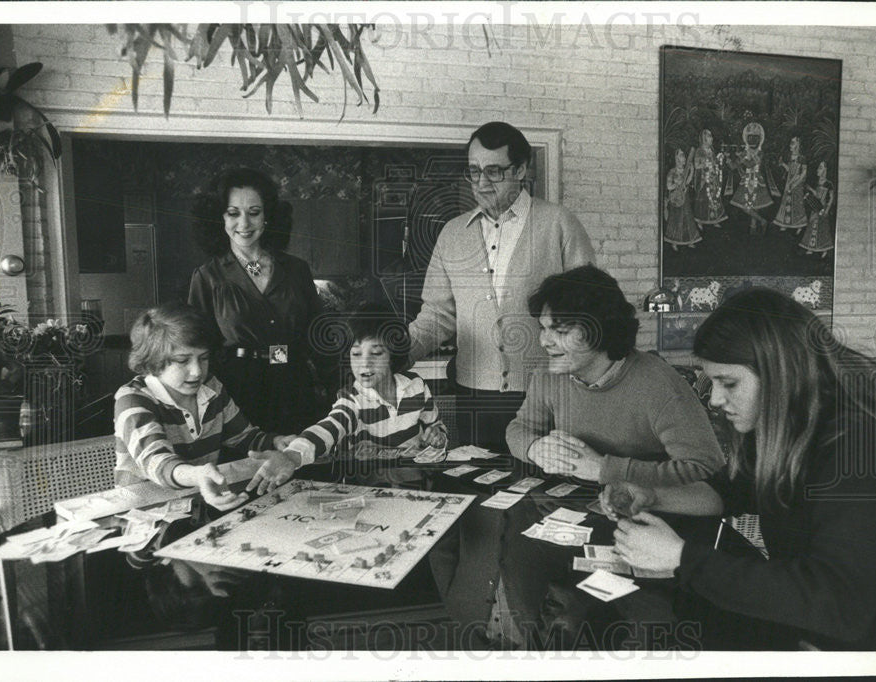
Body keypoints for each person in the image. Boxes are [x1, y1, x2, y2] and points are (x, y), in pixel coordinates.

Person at [608, 288, 876, 650]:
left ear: (781, 373)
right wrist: (652, 495)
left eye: (728, 383)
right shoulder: (784, 426)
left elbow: (839, 603)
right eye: (712, 382)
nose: (715, 400)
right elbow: (730, 491)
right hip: (812, 628)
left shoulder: (863, 451)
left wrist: (681, 558)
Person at [408, 121, 595, 451]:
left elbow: (590, 312)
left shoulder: (559, 224)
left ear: (521, 169)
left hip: (550, 394)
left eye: (493, 171)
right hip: (473, 396)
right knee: (480, 490)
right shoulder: (452, 234)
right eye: (473, 171)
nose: (480, 183)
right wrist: (395, 353)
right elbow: (436, 316)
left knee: (547, 490)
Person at [506, 265, 724, 487]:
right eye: (543, 328)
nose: (544, 341)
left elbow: (705, 468)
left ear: (600, 329)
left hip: (646, 509)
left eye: (560, 331)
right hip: (571, 504)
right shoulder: (548, 373)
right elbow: (519, 428)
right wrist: (534, 448)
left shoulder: (660, 384)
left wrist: (604, 469)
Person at [114, 302, 301, 511]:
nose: (196, 372)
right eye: (183, 361)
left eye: (203, 358)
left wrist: (275, 442)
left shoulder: (211, 387)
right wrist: (197, 475)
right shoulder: (132, 399)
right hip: (144, 516)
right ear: (153, 360)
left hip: (198, 504)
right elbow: (157, 462)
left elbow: (244, 437)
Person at [188, 167, 332, 436]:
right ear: (219, 218)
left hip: (296, 389)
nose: (244, 224)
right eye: (233, 213)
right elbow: (198, 347)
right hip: (238, 396)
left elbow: (319, 338)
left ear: (268, 216)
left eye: (254, 212)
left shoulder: (296, 270)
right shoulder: (207, 277)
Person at [283, 303, 447, 466]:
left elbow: (436, 426)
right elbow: (329, 428)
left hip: (418, 483)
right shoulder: (351, 399)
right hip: (370, 487)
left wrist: (437, 436)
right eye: (356, 354)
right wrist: (292, 457)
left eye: (376, 353)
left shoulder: (416, 386)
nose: (365, 363)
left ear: (393, 355)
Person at [663, 148, 701, 251]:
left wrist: (692, 171)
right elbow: (668, 186)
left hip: (685, 197)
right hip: (676, 199)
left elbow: (687, 182)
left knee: (687, 218)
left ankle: (689, 240)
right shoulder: (672, 171)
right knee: (676, 220)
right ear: (676, 158)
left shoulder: (684, 171)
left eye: (684, 155)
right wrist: (676, 184)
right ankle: (674, 242)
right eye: (681, 155)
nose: (683, 157)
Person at [690, 128, 727, 229]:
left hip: (712, 179)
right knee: (703, 200)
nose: (712, 138)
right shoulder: (699, 151)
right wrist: (706, 162)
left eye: (711, 136)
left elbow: (714, 163)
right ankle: (700, 220)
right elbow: (697, 165)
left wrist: (719, 159)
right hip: (703, 180)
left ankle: (714, 219)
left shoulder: (711, 150)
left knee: (714, 198)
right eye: (709, 136)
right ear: (704, 138)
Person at [799, 159, 835, 257]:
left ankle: (824, 249)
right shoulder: (817, 181)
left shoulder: (828, 183)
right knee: (812, 225)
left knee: (822, 229)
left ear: (825, 170)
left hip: (822, 208)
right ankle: (811, 247)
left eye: (820, 168)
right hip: (815, 207)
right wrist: (810, 191)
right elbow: (816, 195)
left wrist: (827, 210)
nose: (818, 170)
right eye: (818, 168)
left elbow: (831, 198)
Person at [772, 135, 808, 232]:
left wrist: (794, 183)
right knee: (787, 202)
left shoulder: (802, 158)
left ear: (798, 144)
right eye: (791, 142)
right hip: (789, 182)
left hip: (797, 183)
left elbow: (803, 173)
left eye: (793, 143)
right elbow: (789, 170)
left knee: (797, 205)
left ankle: (800, 224)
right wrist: (782, 164)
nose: (790, 145)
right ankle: (785, 223)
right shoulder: (791, 157)